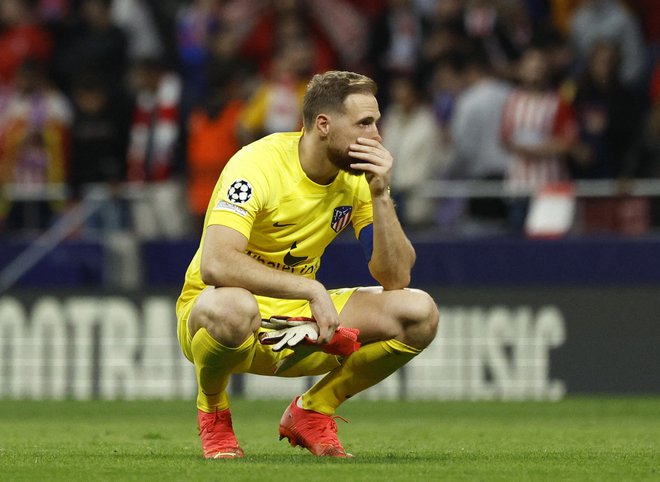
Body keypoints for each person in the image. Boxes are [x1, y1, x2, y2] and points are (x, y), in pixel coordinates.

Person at [175, 70, 440, 459]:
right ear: (323, 125)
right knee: (234, 307)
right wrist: (310, 289)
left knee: (420, 312)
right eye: (365, 123)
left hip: (296, 322)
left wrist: (381, 194)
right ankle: (213, 409)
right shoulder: (257, 165)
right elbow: (216, 263)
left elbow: (395, 277)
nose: (377, 136)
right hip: (216, 313)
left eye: (377, 123)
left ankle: (313, 410)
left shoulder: (357, 180)